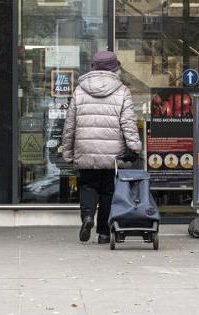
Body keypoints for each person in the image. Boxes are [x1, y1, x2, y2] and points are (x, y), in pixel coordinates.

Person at [62, 51, 141, 244]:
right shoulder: (122, 91)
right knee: (108, 191)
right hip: (111, 153)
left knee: (88, 186)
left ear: (94, 67)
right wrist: (135, 148)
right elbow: (128, 123)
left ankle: (88, 217)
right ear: (115, 68)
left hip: (85, 149)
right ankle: (104, 233)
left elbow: (70, 125)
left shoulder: (80, 91)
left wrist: (67, 152)